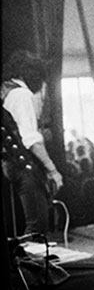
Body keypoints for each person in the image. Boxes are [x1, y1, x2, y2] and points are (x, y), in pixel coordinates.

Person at [2, 52, 63, 236]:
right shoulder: (22, 94)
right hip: (24, 165)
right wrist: (52, 170)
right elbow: (30, 138)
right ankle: (31, 263)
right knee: (37, 226)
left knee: (29, 223)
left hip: (10, 164)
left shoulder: (7, 92)